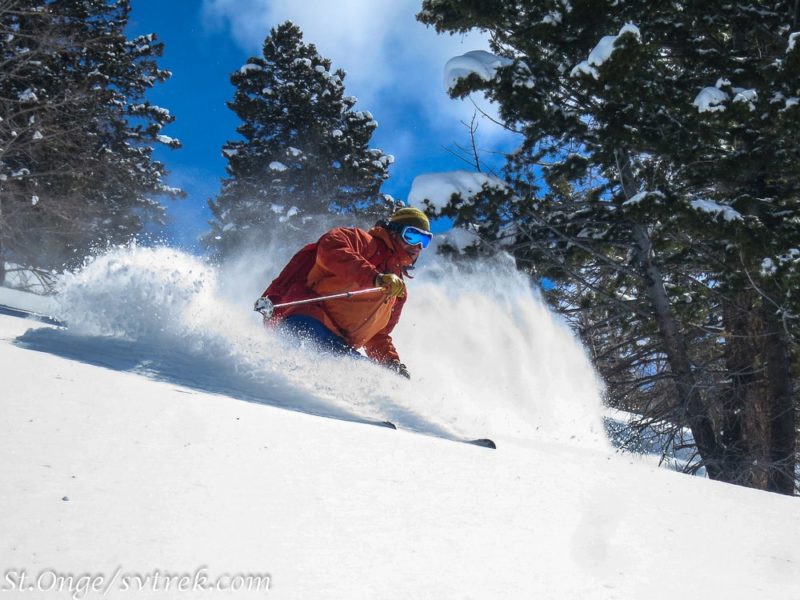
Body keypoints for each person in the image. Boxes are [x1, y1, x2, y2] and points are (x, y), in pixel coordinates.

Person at [271, 207, 432, 379]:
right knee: (366, 376)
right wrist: (375, 277)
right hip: (308, 322)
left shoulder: (398, 291)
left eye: (425, 241)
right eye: (412, 236)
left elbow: (377, 334)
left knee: (381, 379)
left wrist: (390, 362)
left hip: (337, 344)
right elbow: (330, 246)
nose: (417, 246)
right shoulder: (365, 242)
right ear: (394, 232)